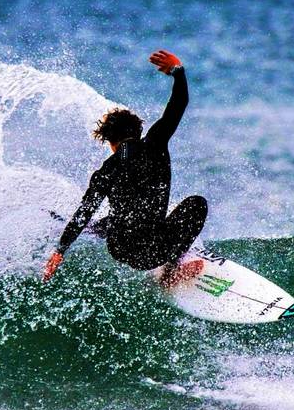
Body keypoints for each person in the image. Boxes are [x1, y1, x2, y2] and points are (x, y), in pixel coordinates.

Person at [43, 50, 207, 287]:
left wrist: (60, 251)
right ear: (138, 131)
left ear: (109, 142)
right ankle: (171, 272)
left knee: (120, 215)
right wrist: (177, 71)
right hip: (153, 251)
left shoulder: (105, 171)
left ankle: (95, 230)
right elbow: (179, 103)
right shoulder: (156, 142)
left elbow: (84, 211)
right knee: (196, 204)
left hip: (120, 250)